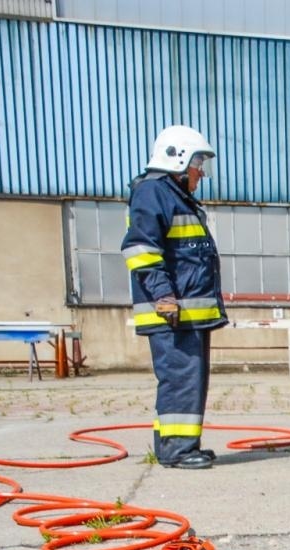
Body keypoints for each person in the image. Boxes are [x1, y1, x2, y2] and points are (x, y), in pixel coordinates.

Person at [121, 124, 227, 470]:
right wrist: (163, 295)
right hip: (172, 312)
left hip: (187, 313)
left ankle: (179, 445)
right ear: (178, 160)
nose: (201, 173)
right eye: (198, 164)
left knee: (188, 381)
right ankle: (177, 451)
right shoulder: (154, 192)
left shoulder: (173, 196)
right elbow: (140, 248)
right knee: (180, 380)